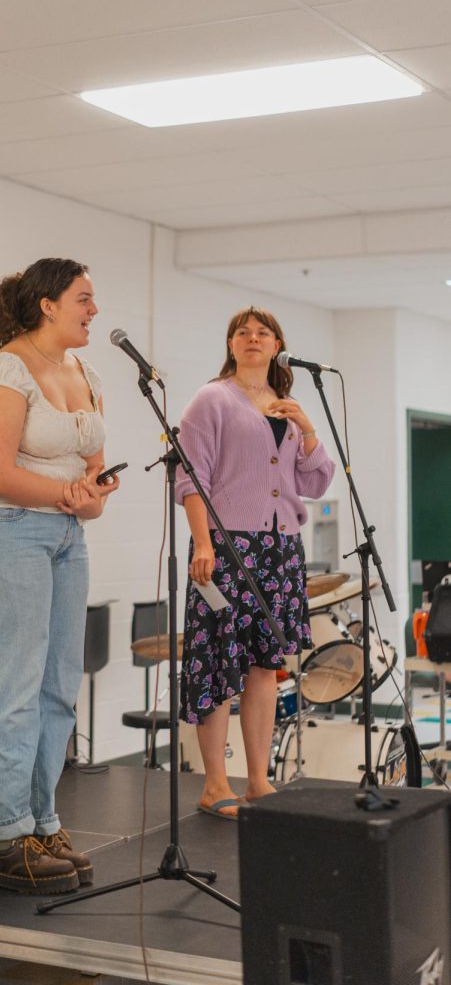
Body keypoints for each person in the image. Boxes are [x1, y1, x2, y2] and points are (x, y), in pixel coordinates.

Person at [0, 258, 119, 895]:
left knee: (57, 686)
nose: (94, 310)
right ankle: (0, 836)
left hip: (64, 536)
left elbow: (95, 485)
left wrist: (89, 497)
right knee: (10, 686)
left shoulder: (88, 373)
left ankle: (40, 822)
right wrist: (68, 493)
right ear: (48, 303)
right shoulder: (6, 369)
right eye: (84, 298)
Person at [175, 306, 335, 819]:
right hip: (226, 545)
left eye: (262, 332)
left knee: (266, 666)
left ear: (276, 346)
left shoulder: (286, 407)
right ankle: (214, 783)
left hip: (280, 547)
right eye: (242, 332)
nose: (251, 337)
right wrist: (203, 543)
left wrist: (308, 430)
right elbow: (189, 478)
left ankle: (259, 780)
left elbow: (313, 483)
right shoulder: (211, 399)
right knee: (220, 664)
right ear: (230, 344)